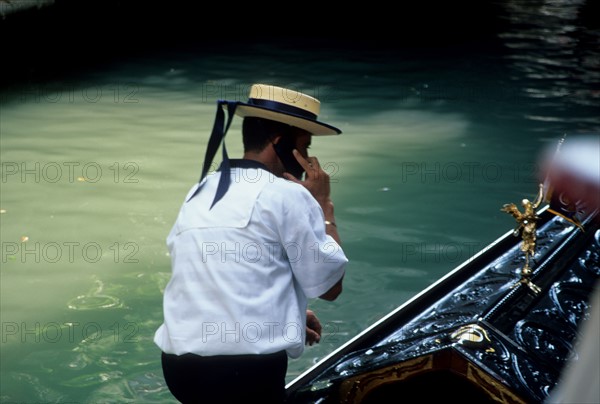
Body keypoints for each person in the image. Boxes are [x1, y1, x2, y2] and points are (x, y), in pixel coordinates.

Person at [154, 84, 348, 403]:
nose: (309, 160)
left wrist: (292, 313)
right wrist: (324, 206)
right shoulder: (288, 194)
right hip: (242, 374)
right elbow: (330, 287)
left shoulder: (201, 190)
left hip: (178, 368)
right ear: (280, 143)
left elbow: (214, 278)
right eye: (305, 146)